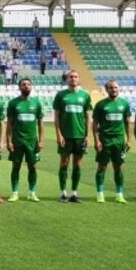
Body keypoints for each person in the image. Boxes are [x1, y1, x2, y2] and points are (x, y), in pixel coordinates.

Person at [53, 70, 92, 202]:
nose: (73, 79)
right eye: (71, 77)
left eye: (75, 77)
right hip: (66, 136)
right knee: (64, 163)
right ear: (67, 79)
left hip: (80, 136)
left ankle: (74, 193)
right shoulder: (61, 95)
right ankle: (63, 192)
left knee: (78, 164)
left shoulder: (85, 96)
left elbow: (88, 117)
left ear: (79, 79)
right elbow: (57, 116)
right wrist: (59, 134)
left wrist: (87, 135)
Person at [92, 80, 131, 203]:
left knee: (118, 167)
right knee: (102, 166)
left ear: (119, 89)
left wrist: (129, 140)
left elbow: (128, 123)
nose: (113, 90)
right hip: (105, 140)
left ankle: (119, 194)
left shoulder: (124, 104)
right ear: (107, 90)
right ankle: (100, 194)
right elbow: (95, 123)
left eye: (115, 87)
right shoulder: (101, 105)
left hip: (119, 141)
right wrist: (96, 140)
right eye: (111, 88)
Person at [5, 78, 43, 202]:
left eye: (28, 84)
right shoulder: (13, 103)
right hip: (17, 141)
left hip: (32, 141)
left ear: (31, 87)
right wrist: (9, 141)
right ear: (19, 87)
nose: (26, 86)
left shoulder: (36, 103)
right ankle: (15, 193)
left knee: (33, 167)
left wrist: (41, 140)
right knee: (16, 166)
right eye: (23, 84)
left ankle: (32, 192)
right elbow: (9, 124)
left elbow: (40, 124)